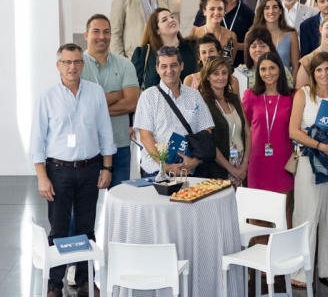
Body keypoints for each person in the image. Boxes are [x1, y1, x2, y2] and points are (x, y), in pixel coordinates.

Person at [31, 44, 116, 297]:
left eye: (77, 61)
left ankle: (85, 279)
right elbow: (37, 140)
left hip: (90, 169)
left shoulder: (95, 92)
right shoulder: (47, 97)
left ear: (83, 64)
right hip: (58, 170)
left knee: (86, 228)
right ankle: (54, 284)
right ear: (58, 65)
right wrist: (42, 177)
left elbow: (105, 131)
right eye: (67, 62)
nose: (72, 67)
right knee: (58, 229)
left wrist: (107, 167)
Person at [288, 51, 328, 288]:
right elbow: (294, 131)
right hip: (308, 159)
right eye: (319, 69)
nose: (324, 74)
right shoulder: (303, 94)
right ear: (312, 73)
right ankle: (300, 270)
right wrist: (320, 143)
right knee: (306, 213)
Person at [134, 43, 215, 178]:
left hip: (190, 170)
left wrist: (195, 161)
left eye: (173, 65)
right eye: (164, 66)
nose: (169, 70)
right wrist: (166, 166)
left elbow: (206, 131)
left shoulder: (194, 96)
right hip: (157, 172)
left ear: (181, 66)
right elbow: (146, 136)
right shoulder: (148, 97)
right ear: (157, 69)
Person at [80, 15, 140, 183]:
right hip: (86, 145)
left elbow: (132, 103)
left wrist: (94, 108)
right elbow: (78, 105)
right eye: (96, 31)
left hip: (119, 144)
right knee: (85, 199)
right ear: (86, 35)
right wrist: (117, 95)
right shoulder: (77, 65)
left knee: (119, 196)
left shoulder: (125, 64)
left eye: (106, 31)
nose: (102, 36)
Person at [241, 51, 293, 192]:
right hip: (257, 159)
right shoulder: (250, 95)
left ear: (280, 69)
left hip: (284, 159)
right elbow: (245, 128)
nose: (268, 73)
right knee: (257, 203)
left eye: (272, 68)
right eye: (263, 69)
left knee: (283, 203)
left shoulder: (292, 96)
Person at [198, 56, 248, 185]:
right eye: (216, 73)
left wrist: (245, 162)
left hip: (241, 163)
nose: (221, 77)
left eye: (224, 73)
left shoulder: (234, 99)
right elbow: (208, 143)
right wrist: (231, 168)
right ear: (207, 77)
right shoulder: (203, 103)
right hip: (219, 167)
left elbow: (247, 132)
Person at [193, 0, 255, 65]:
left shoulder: (248, 13)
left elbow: (253, 43)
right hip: (205, 64)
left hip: (237, 64)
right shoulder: (205, 11)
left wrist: (234, 45)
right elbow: (194, 36)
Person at [131, 8, 199, 89]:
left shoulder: (193, 47)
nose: (171, 20)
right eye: (164, 20)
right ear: (157, 30)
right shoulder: (144, 53)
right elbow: (133, 86)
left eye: (172, 17)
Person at [254, 0, 300, 73]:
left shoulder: (291, 33)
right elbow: (249, 64)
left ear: (280, 11)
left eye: (275, 7)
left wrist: (291, 81)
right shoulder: (253, 34)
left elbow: (295, 66)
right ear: (262, 11)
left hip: (285, 80)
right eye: (267, 8)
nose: (271, 11)